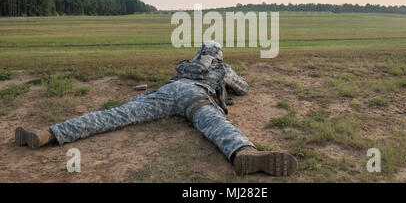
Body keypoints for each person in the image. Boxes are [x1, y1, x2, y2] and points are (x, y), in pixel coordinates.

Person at [15, 41, 297, 176]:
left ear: (200, 53)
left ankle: (48, 134)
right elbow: (243, 88)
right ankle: (242, 152)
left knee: (114, 115)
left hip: (166, 93)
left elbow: (173, 82)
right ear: (218, 55)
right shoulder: (222, 67)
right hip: (194, 97)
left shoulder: (187, 64)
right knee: (216, 123)